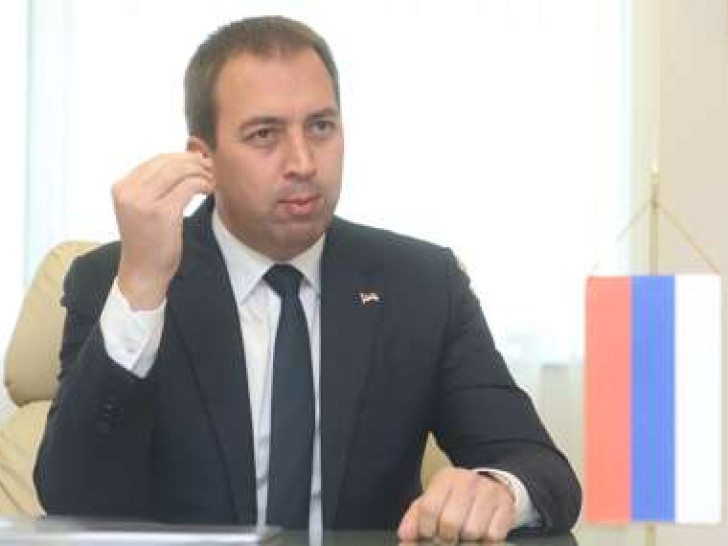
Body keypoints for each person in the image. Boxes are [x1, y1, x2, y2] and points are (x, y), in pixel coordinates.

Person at [34, 16, 581, 543]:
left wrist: (497, 490)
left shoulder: (421, 284)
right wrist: (141, 285)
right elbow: (71, 499)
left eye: (321, 127)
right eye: (264, 134)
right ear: (204, 160)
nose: (303, 162)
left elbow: (540, 468)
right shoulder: (117, 280)